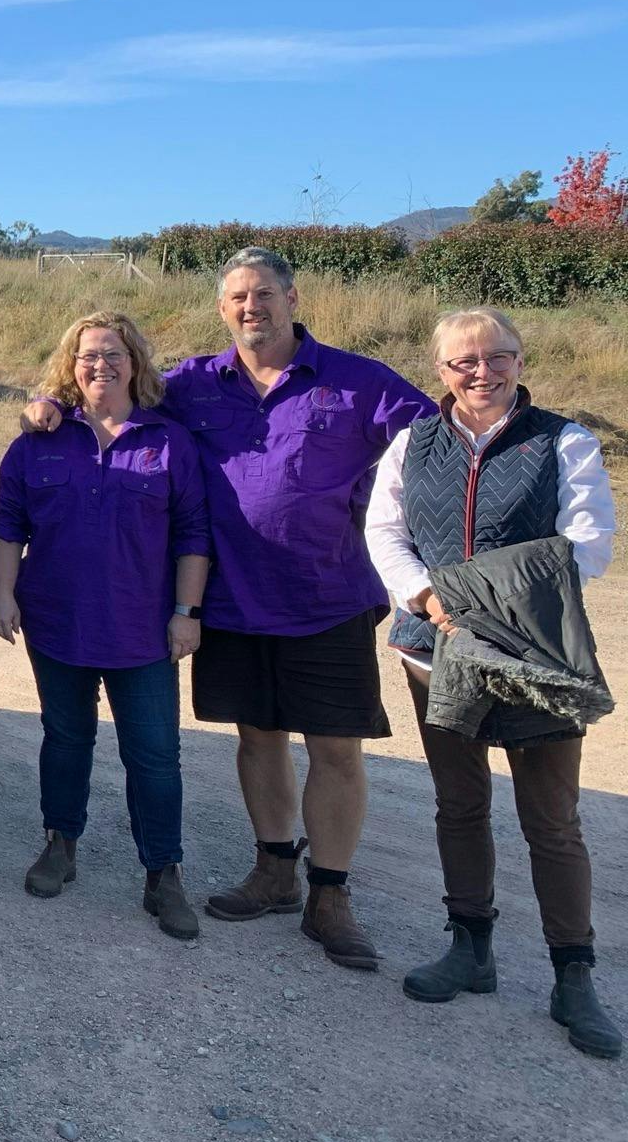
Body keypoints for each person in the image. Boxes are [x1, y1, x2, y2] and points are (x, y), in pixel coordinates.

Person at [26, 246, 435, 970]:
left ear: (293, 298)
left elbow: (435, 441)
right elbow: (109, 392)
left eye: (266, 294)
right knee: (259, 739)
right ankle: (275, 869)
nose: (253, 307)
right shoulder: (193, 384)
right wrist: (51, 403)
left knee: (336, 751)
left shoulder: (356, 381)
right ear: (223, 309)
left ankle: (330, 894)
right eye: (239, 297)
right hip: (235, 603)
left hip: (329, 598)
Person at [365, 307, 619, 1057]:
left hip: (538, 652)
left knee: (553, 820)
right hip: (433, 647)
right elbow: (385, 531)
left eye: (496, 357)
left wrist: (492, 603)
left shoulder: (564, 441)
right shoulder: (413, 443)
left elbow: (588, 541)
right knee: (460, 804)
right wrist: (428, 599)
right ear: (440, 371)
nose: (482, 372)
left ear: (518, 359)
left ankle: (573, 975)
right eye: (463, 362)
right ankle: (470, 948)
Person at [0, 312, 211, 939]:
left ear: (134, 363)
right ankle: (61, 844)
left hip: (142, 630)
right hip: (56, 623)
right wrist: (3, 595)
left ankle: (163, 872)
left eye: (113, 354)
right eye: (88, 356)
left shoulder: (168, 441)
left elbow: (195, 532)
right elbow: (8, 523)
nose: (100, 366)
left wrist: (186, 613)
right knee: (65, 739)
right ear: (71, 364)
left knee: (155, 756)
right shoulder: (39, 441)